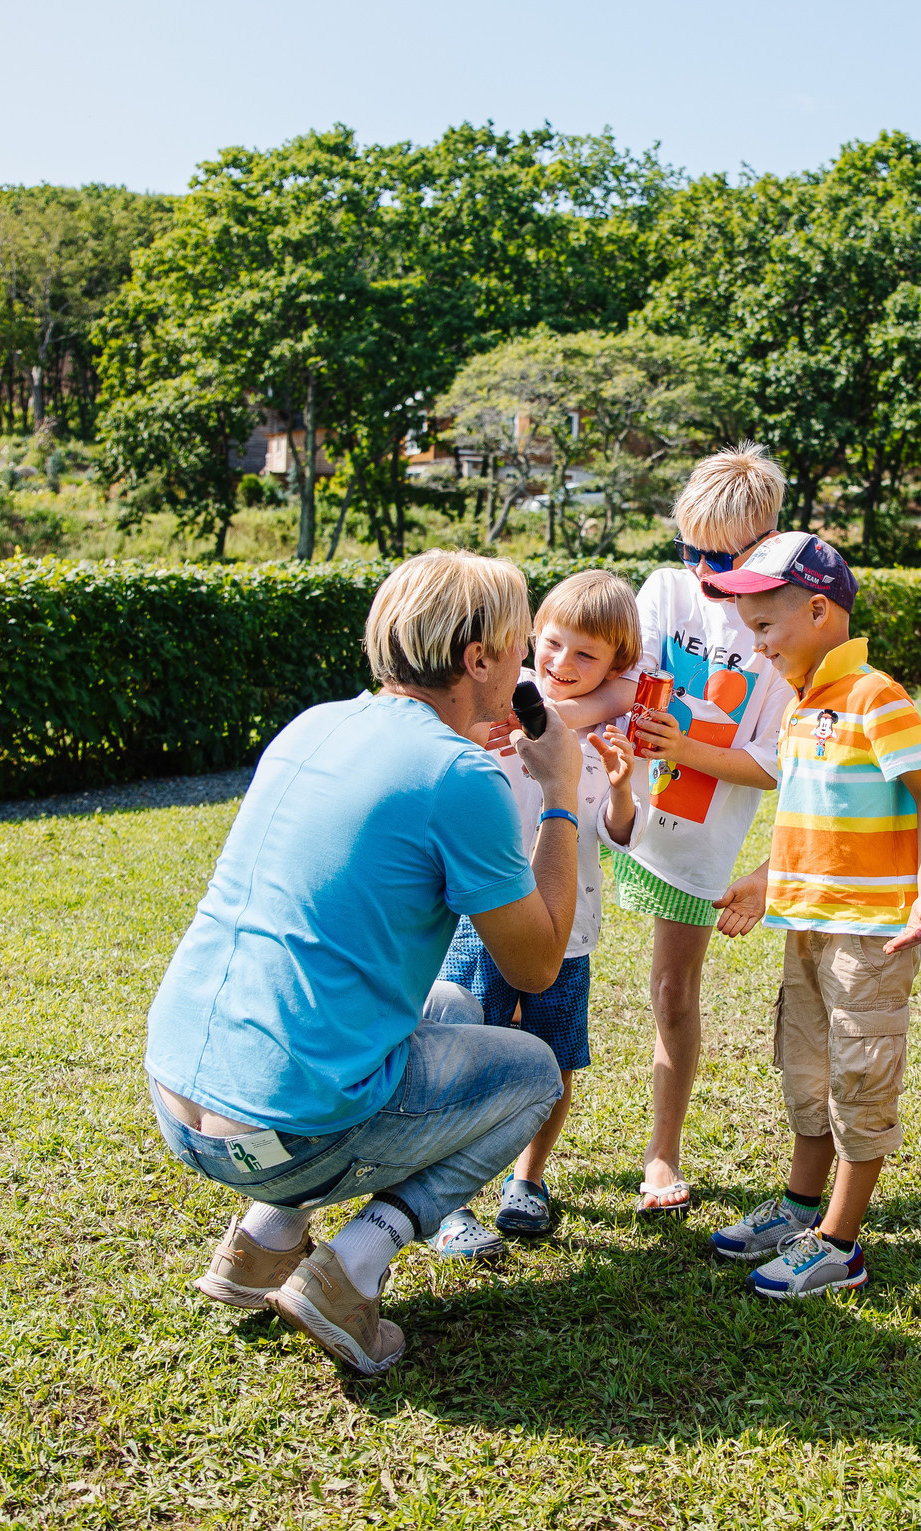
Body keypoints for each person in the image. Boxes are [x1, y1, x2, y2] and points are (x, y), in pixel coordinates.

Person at [144, 550, 582, 1377]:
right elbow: (535, 967)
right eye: (520, 649)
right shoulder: (461, 777)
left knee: (451, 1003)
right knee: (534, 1071)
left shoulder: (315, 723)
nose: (527, 667)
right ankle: (350, 1270)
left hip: (178, 1099)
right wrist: (562, 793)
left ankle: (261, 1243)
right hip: (288, 1134)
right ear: (478, 659)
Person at [699, 533, 921, 1298]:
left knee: (858, 1078)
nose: (758, 646)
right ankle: (801, 1206)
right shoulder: (802, 706)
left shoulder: (876, 696)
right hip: (804, 927)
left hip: (868, 937)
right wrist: (764, 881)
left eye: (766, 628)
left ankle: (840, 1243)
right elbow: (819, 825)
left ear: (817, 609)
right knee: (807, 1070)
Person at [430, 570, 644, 1260]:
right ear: (531, 639)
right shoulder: (506, 706)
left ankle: (528, 1180)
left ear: (614, 664)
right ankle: (448, 1201)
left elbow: (615, 834)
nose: (562, 664)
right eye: (553, 644)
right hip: (488, 915)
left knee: (554, 1060)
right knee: (466, 1052)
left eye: (587, 655)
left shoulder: (608, 732)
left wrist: (619, 791)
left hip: (571, 927)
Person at [616, 445, 796, 1214]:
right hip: (616, 803)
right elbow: (626, 681)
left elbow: (776, 760)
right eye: (688, 548)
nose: (698, 569)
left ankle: (663, 1152)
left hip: (692, 842)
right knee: (546, 971)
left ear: (761, 547)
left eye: (717, 557)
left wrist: (686, 749)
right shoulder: (664, 588)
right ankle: (527, 1169)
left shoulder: (782, 628)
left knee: (672, 991)